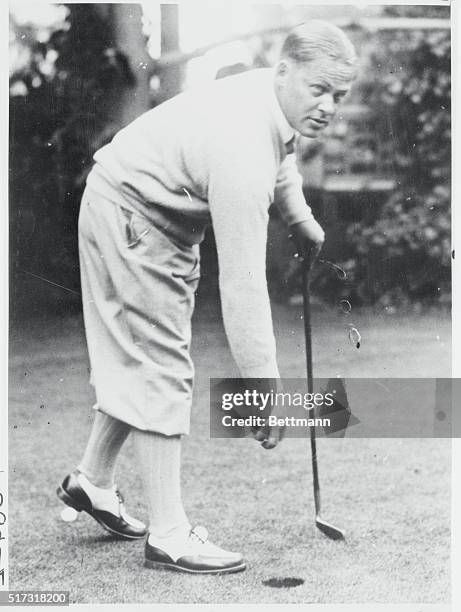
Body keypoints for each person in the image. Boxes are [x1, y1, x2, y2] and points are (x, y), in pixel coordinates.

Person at [57, 20, 358, 574]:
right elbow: (243, 284)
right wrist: (264, 389)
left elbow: (282, 150)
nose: (328, 105)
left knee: (143, 356)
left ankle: (93, 482)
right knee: (159, 362)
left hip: (140, 208)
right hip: (134, 214)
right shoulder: (241, 148)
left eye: (338, 95)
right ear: (286, 71)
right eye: (319, 90)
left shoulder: (271, 95)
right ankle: (170, 535)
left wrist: (298, 216)